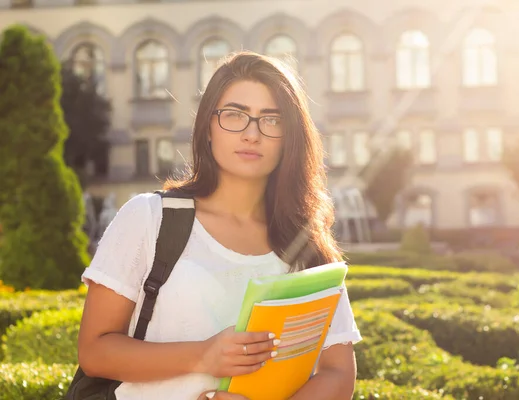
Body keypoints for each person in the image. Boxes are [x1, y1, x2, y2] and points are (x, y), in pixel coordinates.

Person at [77, 51, 362, 400]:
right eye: (234, 115)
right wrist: (204, 356)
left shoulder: (306, 241)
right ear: (208, 127)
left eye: (271, 120)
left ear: (290, 137)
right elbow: (94, 352)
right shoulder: (149, 218)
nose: (251, 134)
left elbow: (338, 372)